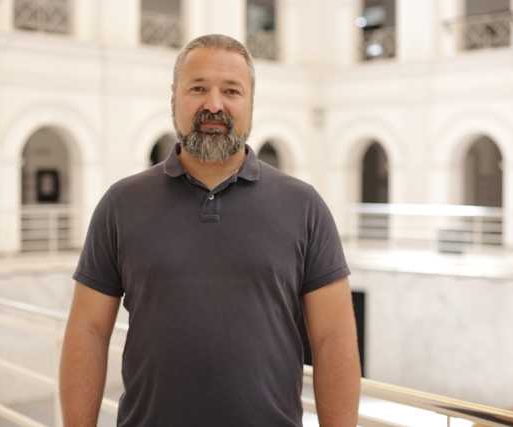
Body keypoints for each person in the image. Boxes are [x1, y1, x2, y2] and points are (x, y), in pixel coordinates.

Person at [59, 33, 361, 427]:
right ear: (174, 98)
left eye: (231, 91)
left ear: (251, 103)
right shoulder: (120, 204)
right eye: (198, 88)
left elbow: (333, 338)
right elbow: (88, 330)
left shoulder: (305, 207)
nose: (214, 105)